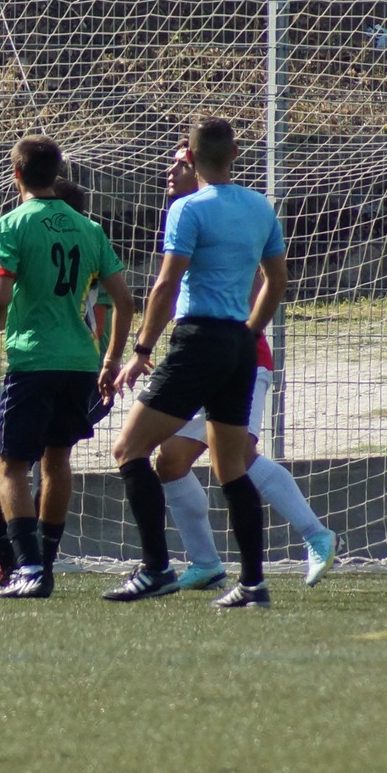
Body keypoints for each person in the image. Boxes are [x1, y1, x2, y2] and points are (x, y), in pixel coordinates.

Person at [107, 118, 286, 609]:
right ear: (235, 153)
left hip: (198, 340)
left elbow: (166, 285)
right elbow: (277, 280)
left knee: (129, 449)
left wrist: (142, 351)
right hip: (239, 345)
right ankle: (253, 584)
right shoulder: (260, 206)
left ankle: (155, 569)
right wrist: (251, 331)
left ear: (189, 156)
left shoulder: (187, 208)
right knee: (231, 467)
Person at [149, 144, 336, 593]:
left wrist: (240, 337)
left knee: (236, 459)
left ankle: (317, 536)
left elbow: (255, 287)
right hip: (205, 359)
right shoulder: (189, 217)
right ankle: (206, 564)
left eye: (181, 163)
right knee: (171, 461)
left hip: (238, 359)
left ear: (200, 165)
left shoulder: (229, 219)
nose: (171, 171)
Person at [0, 140, 136, 598]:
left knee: (9, 466)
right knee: (58, 461)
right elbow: (125, 301)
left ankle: (27, 569)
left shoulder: (11, 224)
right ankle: (43, 563)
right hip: (81, 363)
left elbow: (1, 296)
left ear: (16, 174)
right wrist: (111, 358)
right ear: (57, 172)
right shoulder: (89, 228)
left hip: (34, 360)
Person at [0, 178, 108, 589]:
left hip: (66, 371)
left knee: (23, 466)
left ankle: (31, 566)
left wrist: (109, 363)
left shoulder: (79, 256)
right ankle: (21, 565)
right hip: (74, 367)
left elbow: (92, 319)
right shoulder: (84, 245)